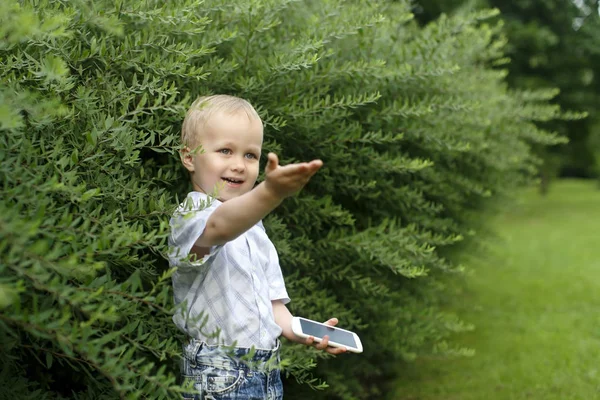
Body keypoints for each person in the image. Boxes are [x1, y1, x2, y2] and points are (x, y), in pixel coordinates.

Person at [168, 95, 346, 400]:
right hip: (218, 373)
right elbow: (218, 227)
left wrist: (304, 331)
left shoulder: (254, 228)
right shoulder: (192, 215)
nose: (239, 165)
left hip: (266, 371)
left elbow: (272, 305)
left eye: (250, 155)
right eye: (225, 151)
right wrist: (271, 192)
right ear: (189, 157)